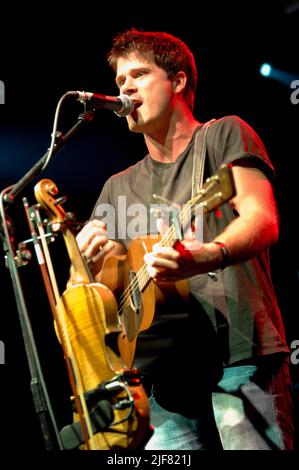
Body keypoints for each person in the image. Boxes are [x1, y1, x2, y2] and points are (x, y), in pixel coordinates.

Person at [76, 28, 294, 450]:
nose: (126, 88)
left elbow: (263, 219)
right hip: (163, 375)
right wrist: (89, 261)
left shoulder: (224, 135)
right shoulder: (116, 188)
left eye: (139, 75)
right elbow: (105, 293)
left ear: (177, 82)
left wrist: (211, 254)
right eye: (120, 82)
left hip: (238, 354)